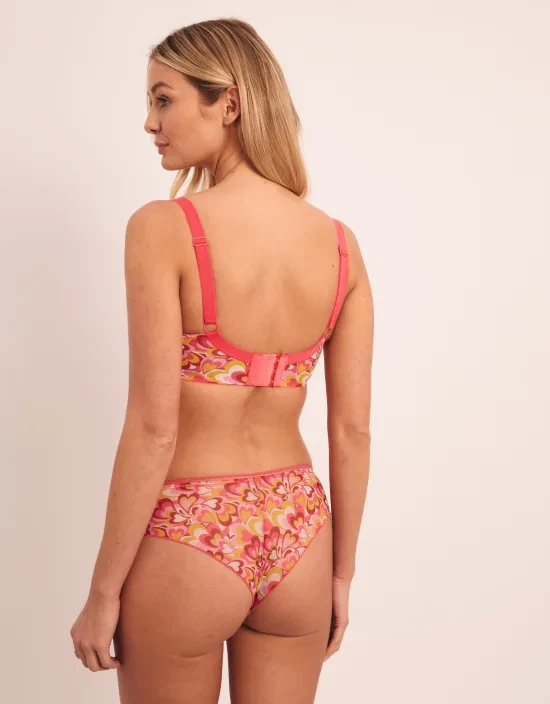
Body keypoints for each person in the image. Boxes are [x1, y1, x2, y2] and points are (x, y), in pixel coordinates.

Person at [69, 17, 374, 704]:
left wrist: (103, 591)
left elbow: (154, 428)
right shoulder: (339, 245)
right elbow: (352, 431)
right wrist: (340, 576)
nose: (150, 122)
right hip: (299, 530)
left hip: (191, 531)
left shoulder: (163, 228)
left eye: (164, 99)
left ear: (228, 103)